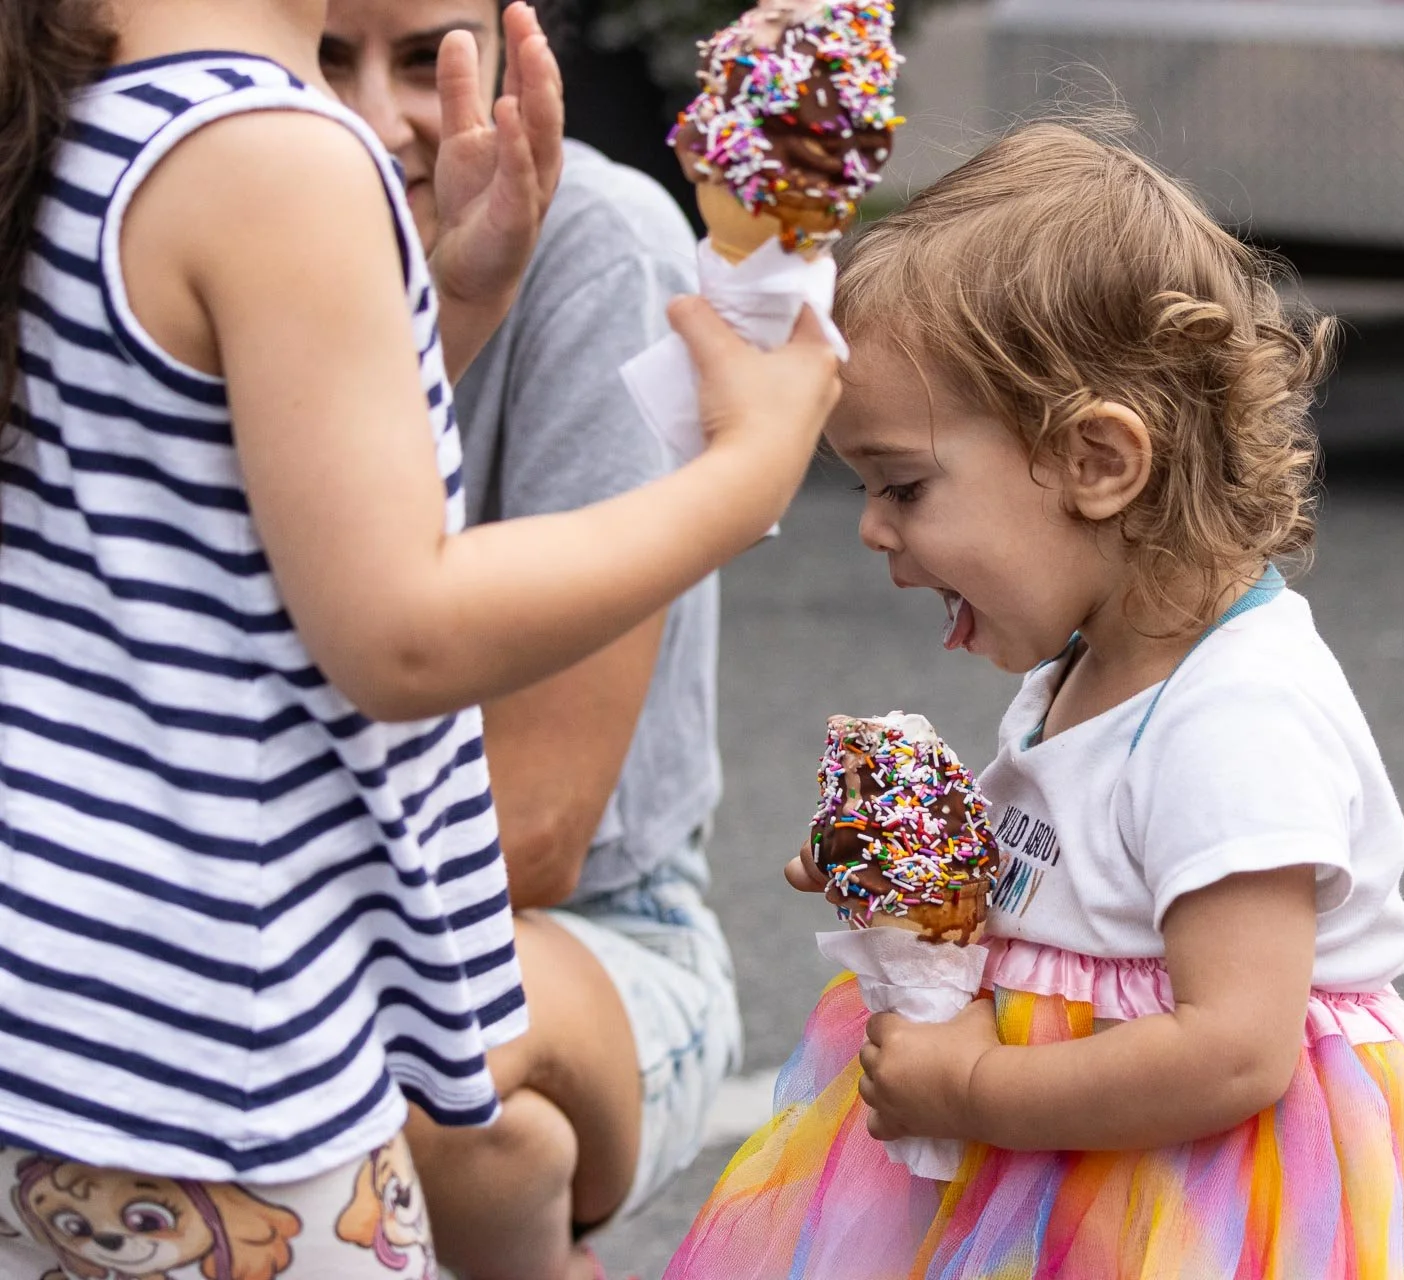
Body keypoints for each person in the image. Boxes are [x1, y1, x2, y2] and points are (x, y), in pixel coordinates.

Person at [0, 0, 838, 1277]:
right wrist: (749, 471)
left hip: (53, 1021)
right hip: (221, 1068)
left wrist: (448, 302)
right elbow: (398, 633)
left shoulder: (89, 114)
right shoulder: (273, 152)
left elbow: (207, 506)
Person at [663, 120, 1404, 1279]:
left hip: (1199, 1198)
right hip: (1070, 1164)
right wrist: (917, 868)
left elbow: (1234, 1049)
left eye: (905, 483)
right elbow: (1079, 879)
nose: (877, 528)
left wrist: (977, 1084)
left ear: (1097, 461)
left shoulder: (1234, 716)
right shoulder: (1093, 662)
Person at [318, 3, 738, 1273]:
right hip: (310, 900)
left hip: (580, 926)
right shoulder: (214, 224)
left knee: (375, 1083)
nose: (379, 116)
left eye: (426, 60)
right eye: (327, 57)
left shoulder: (601, 244)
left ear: (515, 51)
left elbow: (540, 825)